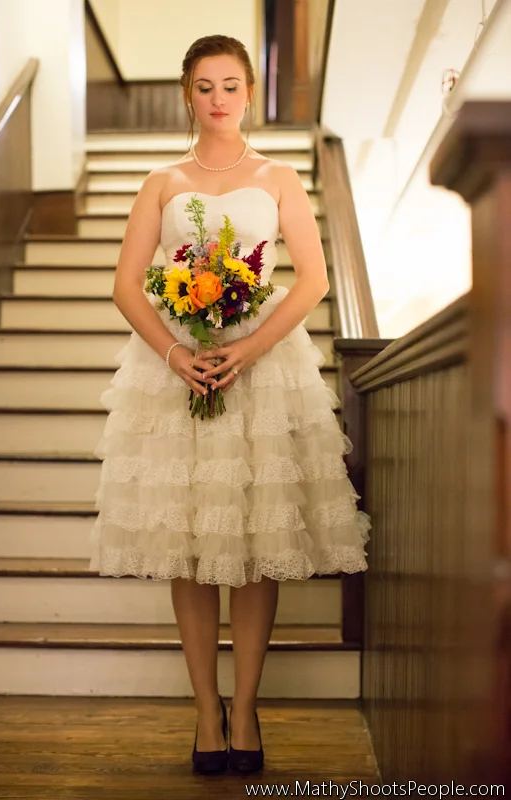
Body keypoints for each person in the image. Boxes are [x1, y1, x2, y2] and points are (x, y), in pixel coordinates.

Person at [89, 34, 370, 776]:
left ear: (249, 92)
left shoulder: (279, 177)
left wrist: (247, 350)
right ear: (188, 93)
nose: (218, 99)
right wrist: (174, 353)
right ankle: (205, 710)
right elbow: (126, 285)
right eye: (205, 86)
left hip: (261, 366)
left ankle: (244, 708)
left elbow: (312, 280)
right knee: (188, 544)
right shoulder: (160, 182)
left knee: (253, 542)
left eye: (231, 85)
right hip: (178, 368)